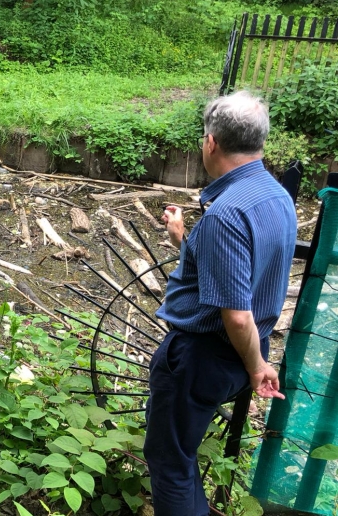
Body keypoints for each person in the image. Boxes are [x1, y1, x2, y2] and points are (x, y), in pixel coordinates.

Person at [143, 91, 297, 515]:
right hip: (243, 353)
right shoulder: (277, 196)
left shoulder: (225, 214)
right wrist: (185, 243)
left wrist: (257, 368)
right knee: (182, 452)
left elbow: (235, 313)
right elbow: (240, 273)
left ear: (211, 142)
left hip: (203, 357)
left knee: (169, 462)